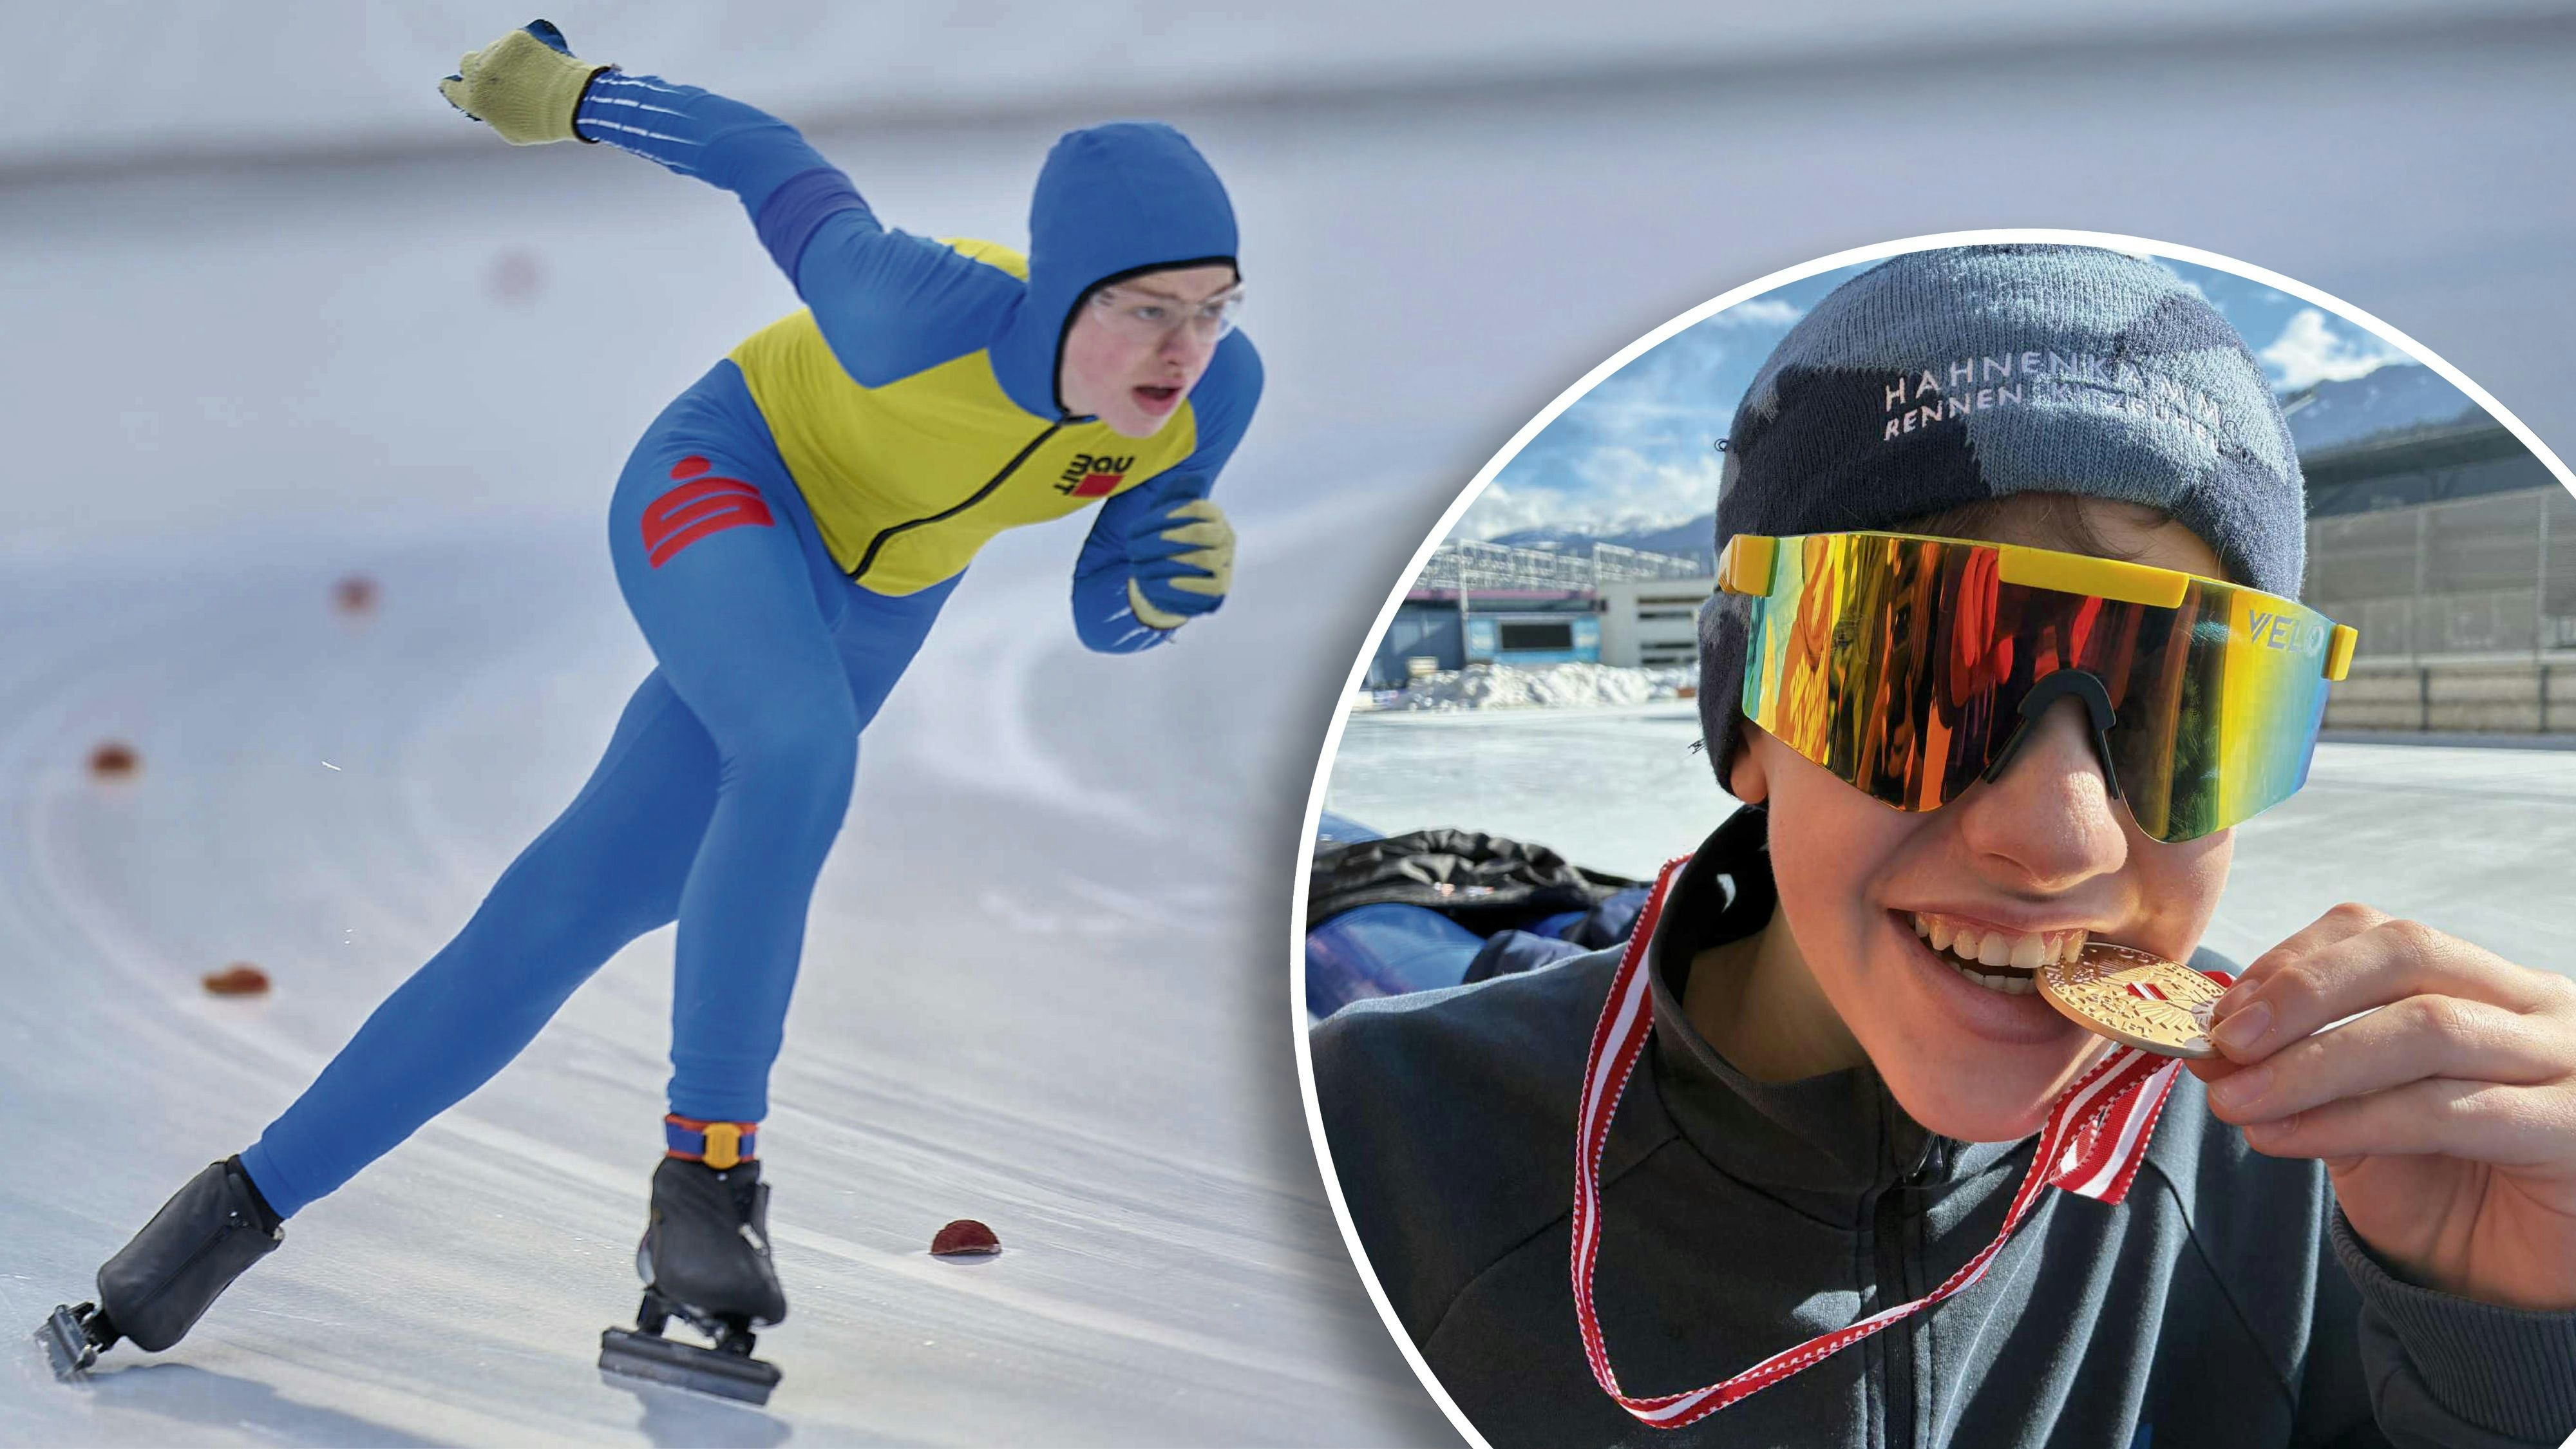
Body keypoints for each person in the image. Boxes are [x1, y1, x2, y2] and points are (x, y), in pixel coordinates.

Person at [50, 20, 1262, 1379]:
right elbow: (769, 161)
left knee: (568, 914)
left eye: (1213, 307)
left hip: (868, 604)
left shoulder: (1212, 401)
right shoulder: (907, 306)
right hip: (727, 481)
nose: (1184, 348)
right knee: (794, 753)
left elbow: (1107, 614)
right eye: (1147, 308)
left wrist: (1160, 598)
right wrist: (575, 96)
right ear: (1064, 293)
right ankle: (709, 1184)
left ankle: (223, 1218)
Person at [1312, 245, 2576, 1447]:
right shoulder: (1369, 1161)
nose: (2059, 835)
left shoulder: (2324, 1172)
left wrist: (2501, 1351)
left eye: (2190, 713)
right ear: (1744, 714)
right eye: (1927, 672)